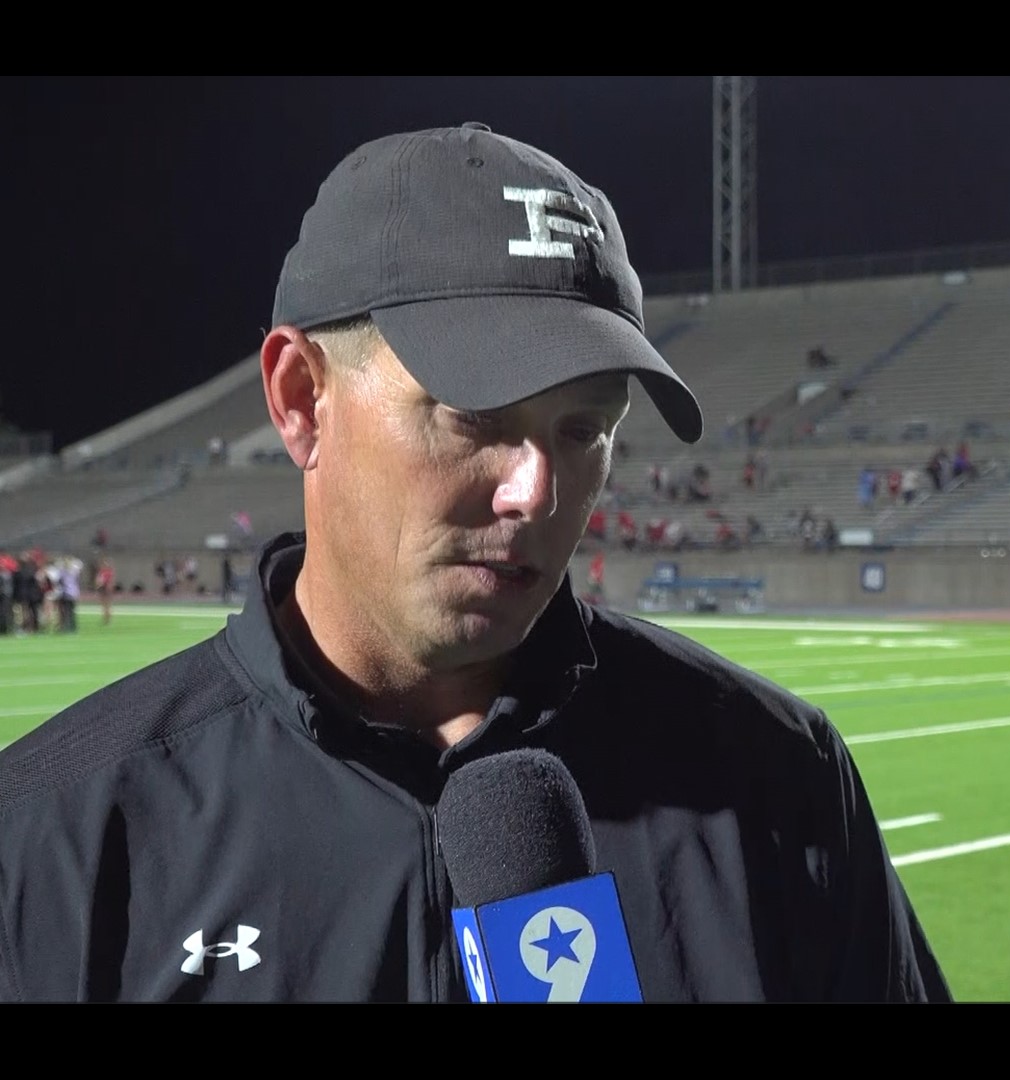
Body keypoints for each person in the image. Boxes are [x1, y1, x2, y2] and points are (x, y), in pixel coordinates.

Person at [0, 124, 949, 1003]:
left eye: (585, 429)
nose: (534, 491)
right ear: (300, 399)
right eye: (475, 418)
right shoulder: (59, 836)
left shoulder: (778, 777)